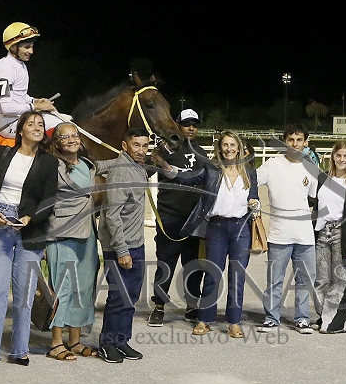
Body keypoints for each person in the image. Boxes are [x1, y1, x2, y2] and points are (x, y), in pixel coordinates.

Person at [0, 111, 60, 374]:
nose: (37, 127)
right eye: (31, 123)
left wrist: (29, 218)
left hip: (30, 230)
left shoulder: (49, 163)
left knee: (25, 294)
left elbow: (49, 200)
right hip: (0, 226)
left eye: (40, 124)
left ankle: (19, 349)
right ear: (20, 130)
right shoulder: (1, 155)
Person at [154, 130, 259, 338]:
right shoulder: (211, 169)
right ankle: (205, 319)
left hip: (241, 229)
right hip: (216, 227)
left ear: (238, 147)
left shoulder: (249, 171)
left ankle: (234, 322)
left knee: (237, 277)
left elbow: (254, 197)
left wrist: (255, 203)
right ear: (220, 148)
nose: (229, 149)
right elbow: (187, 178)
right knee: (212, 274)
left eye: (232, 145)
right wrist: (165, 165)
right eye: (225, 145)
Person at [97, 127, 168, 362]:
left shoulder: (136, 167)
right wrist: (122, 251)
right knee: (119, 297)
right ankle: (107, 343)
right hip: (121, 247)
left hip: (136, 244)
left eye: (144, 146)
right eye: (136, 145)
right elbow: (112, 216)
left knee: (131, 297)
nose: (141, 150)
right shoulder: (121, 173)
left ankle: (121, 340)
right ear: (124, 145)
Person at [39, 121, 100, 360]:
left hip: (87, 234)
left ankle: (74, 341)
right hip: (61, 234)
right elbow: (44, 203)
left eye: (74, 135)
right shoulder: (51, 166)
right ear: (56, 143)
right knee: (62, 289)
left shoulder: (87, 165)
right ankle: (56, 342)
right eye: (65, 137)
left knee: (82, 288)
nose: (72, 139)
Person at [147, 108, 207, 328]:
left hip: (193, 219)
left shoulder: (202, 152)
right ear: (177, 126)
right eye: (186, 124)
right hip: (169, 217)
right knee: (166, 263)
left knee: (194, 265)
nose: (191, 128)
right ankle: (159, 306)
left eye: (194, 125)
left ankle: (192, 305)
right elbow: (145, 172)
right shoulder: (166, 149)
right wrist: (154, 157)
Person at [256, 123, 318, 334]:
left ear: (305, 143)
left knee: (304, 281)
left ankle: (302, 318)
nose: (295, 144)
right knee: (275, 281)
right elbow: (250, 181)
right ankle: (271, 318)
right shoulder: (272, 165)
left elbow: (312, 198)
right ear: (285, 142)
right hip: (279, 235)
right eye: (291, 139)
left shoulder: (311, 168)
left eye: (299, 140)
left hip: (304, 235)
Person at [311, 141, 346, 333]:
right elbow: (312, 204)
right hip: (322, 233)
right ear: (333, 156)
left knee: (340, 281)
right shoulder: (321, 180)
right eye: (339, 155)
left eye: (345, 156)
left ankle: (337, 322)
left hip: (342, 235)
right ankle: (324, 316)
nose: (342, 159)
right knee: (321, 280)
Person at [0, 22, 63, 138]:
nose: (31, 51)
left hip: (19, 118)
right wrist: (37, 107)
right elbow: (6, 108)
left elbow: (19, 96)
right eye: (27, 47)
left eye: (32, 47)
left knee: (64, 119)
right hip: (8, 124)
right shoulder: (5, 69)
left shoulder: (19, 65)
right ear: (13, 47)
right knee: (61, 126)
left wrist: (36, 101)